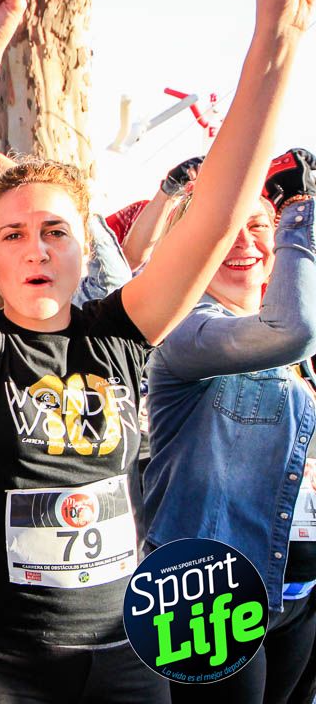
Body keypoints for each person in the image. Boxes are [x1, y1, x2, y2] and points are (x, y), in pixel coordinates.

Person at [0, 0, 314, 703]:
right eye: (16, 234)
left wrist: (277, 31)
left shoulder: (121, 333)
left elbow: (217, 212)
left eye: (56, 232)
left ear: (84, 251)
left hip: (126, 656)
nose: (36, 249)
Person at [142, 149, 316, 703]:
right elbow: (290, 330)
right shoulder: (186, 330)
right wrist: (301, 211)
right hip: (207, 592)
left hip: (298, 588)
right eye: (224, 230)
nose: (245, 242)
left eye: (260, 225)